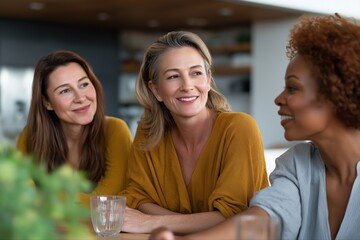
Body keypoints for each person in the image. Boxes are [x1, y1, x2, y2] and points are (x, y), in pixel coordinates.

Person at [149, 13, 360, 240]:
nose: (278, 99)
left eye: (292, 88)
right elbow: (260, 222)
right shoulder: (297, 165)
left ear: (336, 95)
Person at [121, 31, 269, 235]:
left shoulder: (240, 128)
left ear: (208, 79)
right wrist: (193, 222)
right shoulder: (147, 135)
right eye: (173, 76)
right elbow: (138, 197)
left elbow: (235, 217)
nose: (187, 86)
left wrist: (149, 223)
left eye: (196, 73)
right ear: (156, 90)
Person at [16, 50, 133, 206]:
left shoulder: (116, 130)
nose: (80, 98)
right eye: (65, 90)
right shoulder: (31, 135)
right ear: (47, 102)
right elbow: (20, 196)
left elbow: (107, 201)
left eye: (84, 84)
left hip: (104, 231)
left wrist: (42, 198)